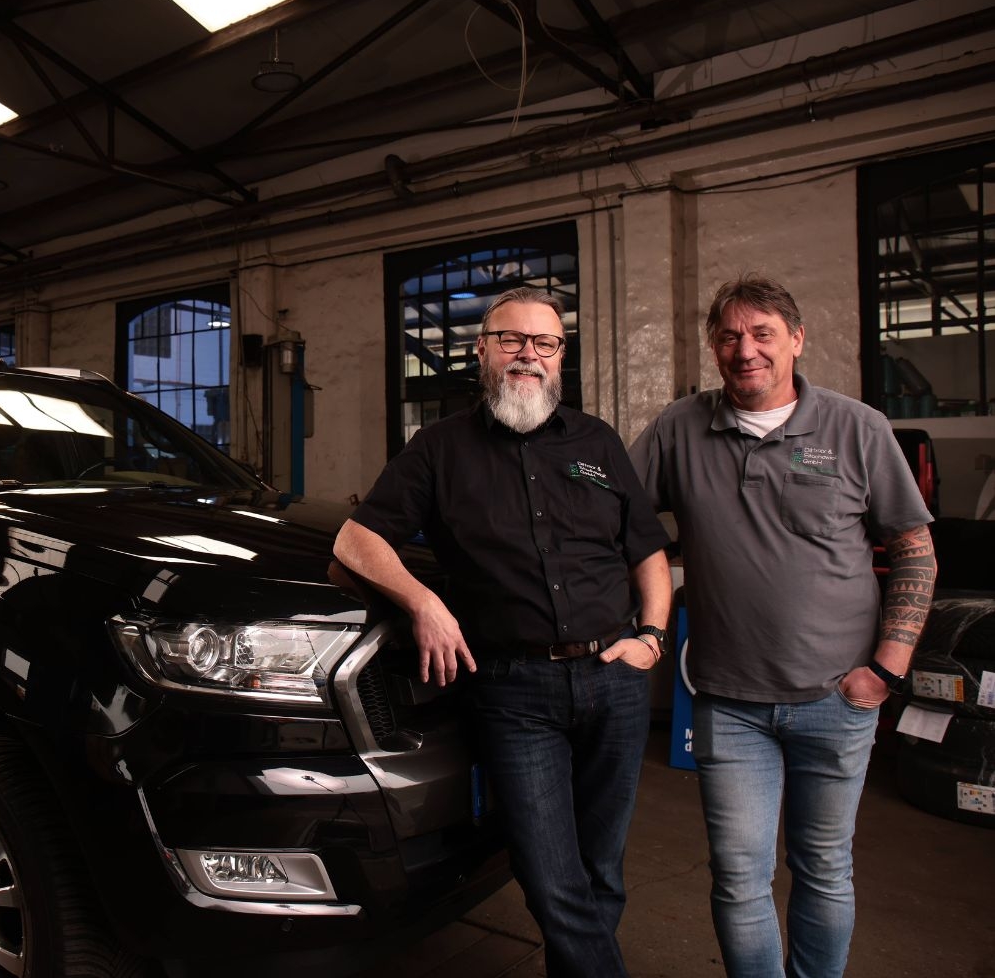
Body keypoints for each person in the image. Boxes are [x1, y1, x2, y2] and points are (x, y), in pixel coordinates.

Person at [333, 287, 672, 978]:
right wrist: (424, 602)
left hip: (615, 679)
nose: (528, 355)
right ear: (481, 351)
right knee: (549, 875)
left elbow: (648, 553)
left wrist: (652, 638)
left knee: (600, 868)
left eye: (543, 343)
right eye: (511, 340)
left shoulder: (597, 442)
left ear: (560, 356)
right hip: (515, 692)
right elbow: (354, 542)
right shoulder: (439, 448)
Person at [630, 273, 936, 978]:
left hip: (837, 697)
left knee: (823, 866)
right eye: (729, 337)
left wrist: (886, 669)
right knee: (739, 876)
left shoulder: (857, 428)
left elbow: (914, 549)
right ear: (714, 347)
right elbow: (620, 522)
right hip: (728, 703)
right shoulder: (679, 429)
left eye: (763, 334)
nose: (746, 350)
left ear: (796, 339)